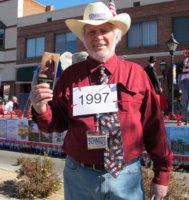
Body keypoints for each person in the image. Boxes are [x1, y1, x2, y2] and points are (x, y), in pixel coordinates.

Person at [30, 2, 173, 200]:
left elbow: (154, 128)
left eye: (104, 30)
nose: (98, 37)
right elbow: (56, 123)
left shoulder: (137, 74)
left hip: (126, 176)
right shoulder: (70, 77)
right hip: (79, 177)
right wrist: (40, 109)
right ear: (84, 38)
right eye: (91, 32)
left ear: (116, 36)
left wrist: (162, 175)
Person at [180, 48, 189, 125]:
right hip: (185, 82)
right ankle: (184, 119)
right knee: (184, 102)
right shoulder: (185, 61)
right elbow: (181, 70)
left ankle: (185, 119)